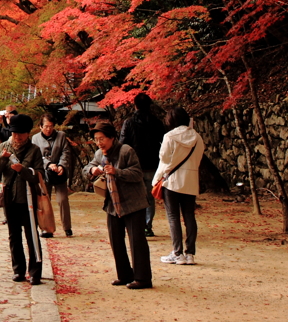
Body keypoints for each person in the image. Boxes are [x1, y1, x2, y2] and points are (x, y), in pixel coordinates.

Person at [84, 121, 152, 290]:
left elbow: (137, 174)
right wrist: (92, 171)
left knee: (137, 241)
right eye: (96, 139)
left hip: (133, 202)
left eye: (102, 139)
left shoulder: (126, 151)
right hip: (112, 203)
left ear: (112, 138)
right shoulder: (100, 154)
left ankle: (143, 278)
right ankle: (124, 275)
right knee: (116, 240)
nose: (99, 143)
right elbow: (87, 168)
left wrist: (117, 172)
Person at [0, 114, 44, 285]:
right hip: (9, 196)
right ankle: (18, 270)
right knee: (14, 235)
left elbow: (38, 176)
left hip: (27, 197)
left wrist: (23, 170)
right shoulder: (4, 146)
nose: (17, 137)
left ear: (28, 133)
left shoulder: (34, 150)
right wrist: (3, 158)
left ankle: (35, 272)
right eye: (14, 133)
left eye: (20, 133)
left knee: (32, 235)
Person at [154, 107, 205, 265]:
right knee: (189, 215)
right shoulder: (197, 137)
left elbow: (163, 157)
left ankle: (177, 253)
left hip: (173, 180)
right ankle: (190, 253)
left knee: (173, 217)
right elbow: (199, 157)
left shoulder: (170, 136)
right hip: (190, 180)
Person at [120, 94, 166, 237]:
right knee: (149, 197)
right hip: (153, 164)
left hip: (134, 165)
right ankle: (147, 225)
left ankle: (136, 224)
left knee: (133, 195)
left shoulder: (128, 123)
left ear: (135, 105)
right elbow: (164, 143)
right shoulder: (157, 122)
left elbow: (122, 144)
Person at [32, 113, 73, 237]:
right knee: (45, 201)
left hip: (59, 173)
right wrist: (49, 164)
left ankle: (67, 227)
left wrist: (61, 166)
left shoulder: (61, 136)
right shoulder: (35, 138)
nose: (48, 129)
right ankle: (46, 228)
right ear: (40, 126)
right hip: (44, 173)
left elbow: (66, 152)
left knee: (62, 200)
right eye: (46, 126)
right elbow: (37, 155)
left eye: (51, 126)